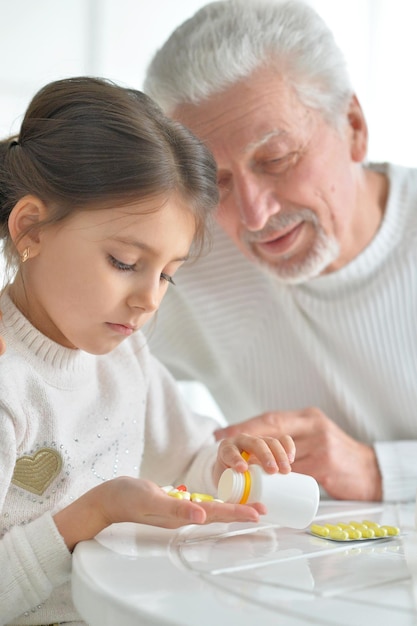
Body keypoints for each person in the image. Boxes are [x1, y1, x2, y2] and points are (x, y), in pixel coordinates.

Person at [0, 76, 296, 625]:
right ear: (31, 228)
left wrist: (227, 463)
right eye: (124, 263)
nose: (147, 300)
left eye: (168, 275)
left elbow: (184, 460)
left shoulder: (124, 358)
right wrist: (90, 516)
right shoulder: (8, 381)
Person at [143, 0, 417, 504]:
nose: (253, 216)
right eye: (217, 182)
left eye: (276, 159)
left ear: (353, 126)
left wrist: (382, 471)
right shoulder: (184, 261)